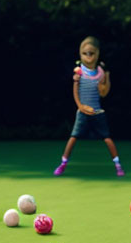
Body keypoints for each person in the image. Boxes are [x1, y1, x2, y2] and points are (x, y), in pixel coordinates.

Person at [52, 36, 125, 177]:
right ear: (80, 54)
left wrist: (107, 77)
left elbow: (103, 93)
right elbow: (75, 92)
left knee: (107, 138)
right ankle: (62, 164)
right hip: (82, 112)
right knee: (73, 138)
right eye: (85, 53)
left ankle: (118, 165)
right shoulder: (78, 72)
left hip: (97, 112)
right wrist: (81, 107)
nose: (88, 56)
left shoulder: (101, 73)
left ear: (97, 53)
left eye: (91, 53)